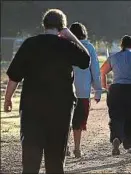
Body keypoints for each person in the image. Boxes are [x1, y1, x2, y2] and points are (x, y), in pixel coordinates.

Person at [3, 9, 90, 173]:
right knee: (56, 158)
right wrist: (71, 36)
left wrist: (8, 99)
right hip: (61, 108)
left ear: (44, 25)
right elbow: (86, 61)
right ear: (62, 27)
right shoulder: (67, 45)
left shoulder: (30, 44)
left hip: (32, 108)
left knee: (30, 158)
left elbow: (14, 76)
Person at [101, 35, 131, 155]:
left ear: (121, 45)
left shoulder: (113, 57)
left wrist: (105, 85)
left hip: (116, 89)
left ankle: (116, 138)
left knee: (116, 116)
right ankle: (130, 144)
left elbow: (102, 71)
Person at [66, 22, 102, 158]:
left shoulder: (65, 46)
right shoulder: (89, 47)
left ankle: (66, 146)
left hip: (65, 90)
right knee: (78, 121)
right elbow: (95, 70)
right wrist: (98, 90)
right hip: (83, 91)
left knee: (65, 120)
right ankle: (77, 148)